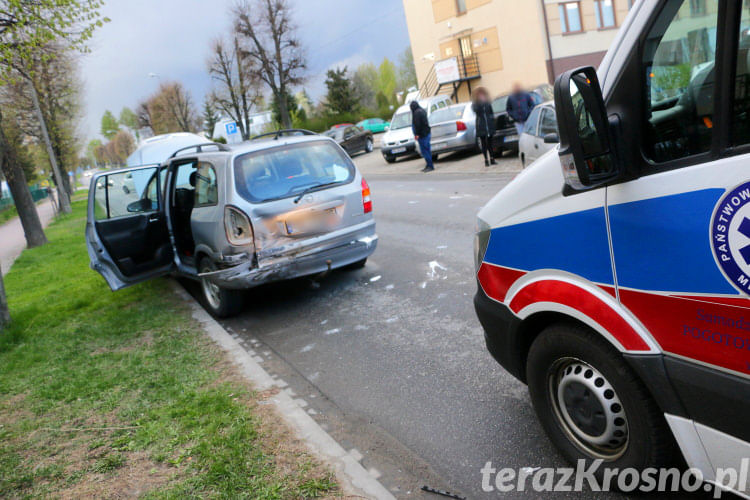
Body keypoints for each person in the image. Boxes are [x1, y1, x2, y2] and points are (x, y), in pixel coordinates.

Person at [471, 87, 497, 167]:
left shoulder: (488, 103)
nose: (481, 95)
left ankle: (492, 159)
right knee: (484, 144)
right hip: (481, 126)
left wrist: (492, 122)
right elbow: (476, 111)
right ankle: (486, 160)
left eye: (482, 94)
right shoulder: (475, 104)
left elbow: (491, 113)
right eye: (480, 94)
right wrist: (481, 103)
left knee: (490, 143)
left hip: (489, 125)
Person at [410, 100, 433, 173]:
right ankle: (428, 165)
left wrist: (417, 134)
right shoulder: (422, 110)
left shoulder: (416, 113)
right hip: (426, 133)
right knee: (427, 150)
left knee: (425, 151)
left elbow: (418, 125)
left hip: (422, 135)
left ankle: (430, 165)